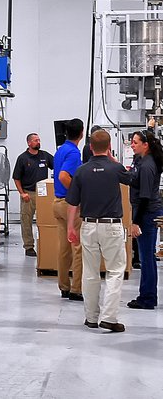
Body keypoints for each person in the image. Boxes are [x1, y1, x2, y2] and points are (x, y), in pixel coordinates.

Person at [66, 129, 131, 332]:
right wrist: (113, 159)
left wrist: (70, 227)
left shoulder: (81, 171)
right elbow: (130, 178)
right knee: (115, 271)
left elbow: (73, 203)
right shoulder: (115, 168)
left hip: (88, 226)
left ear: (90, 147)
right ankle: (109, 317)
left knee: (90, 272)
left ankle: (91, 317)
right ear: (109, 147)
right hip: (111, 226)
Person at [126, 129, 163, 310]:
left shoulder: (148, 166)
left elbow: (145, 197)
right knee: (146, 255)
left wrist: (136, 222)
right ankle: (146, 295)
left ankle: (147, 298)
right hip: (145, 211)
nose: (132, 145)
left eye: (135, 142)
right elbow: (133, 179)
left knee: (146, 257)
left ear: (145, 145)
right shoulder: (141, 160)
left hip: (147, 214)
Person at [54, 118, 85, 301]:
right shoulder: (73, 152)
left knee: (64, 248)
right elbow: (63, 176)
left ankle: (64, 286)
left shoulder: (60, 150)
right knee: (78, 248)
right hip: (69, 204)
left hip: (58, 203)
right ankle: (76, 289)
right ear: (81, 133)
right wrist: (77, 194)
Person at [12, 132, 54, 257]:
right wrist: (22, 193)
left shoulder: (45, 156)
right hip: (28, 194)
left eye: (39, 140)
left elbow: (57, 165)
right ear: (29, 143)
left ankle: (46, 244)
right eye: (35, 140)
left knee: (46, 219)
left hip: (43, 194)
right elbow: (16, 178)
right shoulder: (23, 158)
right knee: (26, 221)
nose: (38, 142)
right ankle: (29, 246)